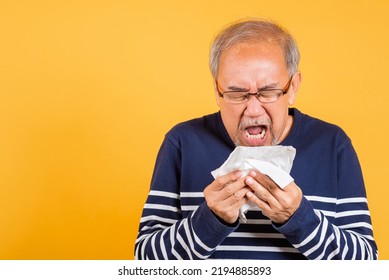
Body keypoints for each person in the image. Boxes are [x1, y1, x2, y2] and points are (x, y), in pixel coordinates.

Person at [134, 19, 378, 260]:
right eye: (236, 93)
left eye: (268, 92)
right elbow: (146, 260)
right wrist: (210, 219)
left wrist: (299, 218)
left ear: (293, 87)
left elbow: (365, 263)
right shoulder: (183, 142)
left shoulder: (333, 144)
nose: (252, 109)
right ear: (217, 91)